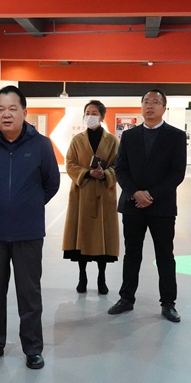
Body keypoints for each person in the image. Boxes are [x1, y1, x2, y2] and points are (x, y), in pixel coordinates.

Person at [0, 85, 60, 369]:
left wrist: (29, 204)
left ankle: (32, 347)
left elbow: (52, 183)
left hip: (28, 232)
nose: (6, 114)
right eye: (0, 109)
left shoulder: (41, 145)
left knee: (29, 292)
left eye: (12, 108)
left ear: (24, 112)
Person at [107, 89, 187, 322]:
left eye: (155, 102)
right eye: (146, 102)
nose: (149, 105)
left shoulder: (176, 136)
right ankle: (126, 298)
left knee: (165, 255)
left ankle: (168, 303)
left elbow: (177, 173)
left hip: (162, 207)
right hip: (133, 205)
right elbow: (121, 169)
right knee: (132, 254)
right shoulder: (129, 136)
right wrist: (135, 193)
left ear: (164, 108)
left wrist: (151, 195)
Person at [62, 100, 120, 295]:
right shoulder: (77, 140)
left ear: (102, 117)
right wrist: (87, 173)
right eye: (87, 112)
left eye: (94, 113)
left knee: (103, 239)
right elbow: (69, 163)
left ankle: (102, 277)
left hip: (104, 195)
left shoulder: (112, 141)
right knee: (82, 238)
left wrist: (106, 174)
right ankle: (82, 276)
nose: (90, 116)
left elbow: (119, 165)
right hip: (82, 193)